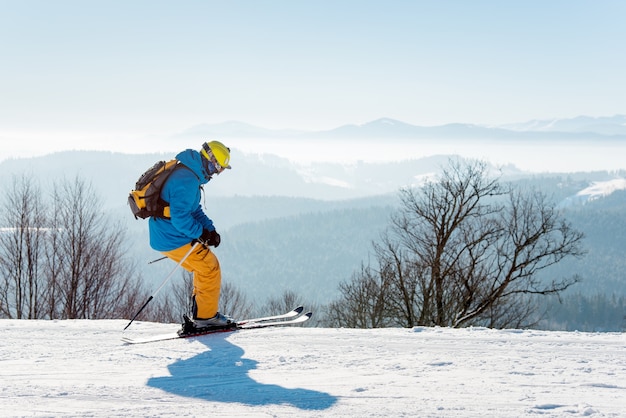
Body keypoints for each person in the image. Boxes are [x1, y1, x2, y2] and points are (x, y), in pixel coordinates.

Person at [148, 140, 233, 328]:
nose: (217, 173)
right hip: (171, 236)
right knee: (210, 267)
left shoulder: (189, 174)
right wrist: (201, 233)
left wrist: (210, 230)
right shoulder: (187, 180)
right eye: (218, 169)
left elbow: (194, 210)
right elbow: (180, 219)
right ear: (212, 162)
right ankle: (206, 318)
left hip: (166, 234)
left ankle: (202, 314)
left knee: (204, 268)